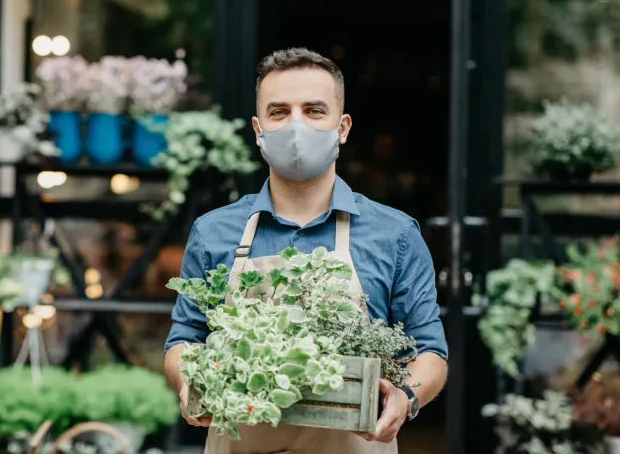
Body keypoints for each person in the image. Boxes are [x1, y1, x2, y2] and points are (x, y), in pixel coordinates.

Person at [163, 48, 448, 454]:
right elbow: (185, 338)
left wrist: (407, 397)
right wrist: (189, 378)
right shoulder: (213, 232)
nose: (296, 126)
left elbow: (429, 350)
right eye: (279, 112)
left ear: (342, 127)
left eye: (314, 111)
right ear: (258, 129)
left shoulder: (395, 234)